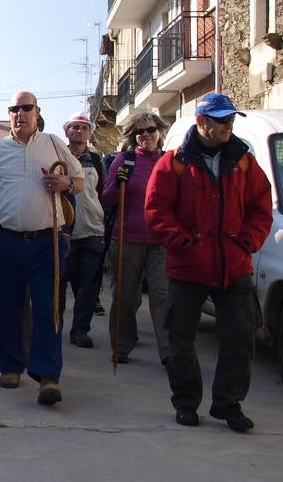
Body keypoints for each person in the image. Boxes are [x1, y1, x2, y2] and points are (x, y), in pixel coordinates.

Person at [146, 93, 273, 432]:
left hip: (233, 266)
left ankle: (229, 404)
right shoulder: (174, 161)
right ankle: (186, 402)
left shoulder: (244, 161)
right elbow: (157, 211)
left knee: (240, 338)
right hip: (189, 267)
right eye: (221, 120)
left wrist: (248, 241)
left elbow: (262, 207)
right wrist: (183, 242)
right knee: (180, 339)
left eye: (231, 119)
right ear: (202, 122)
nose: (228, 125)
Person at [0, 90, 84, 406]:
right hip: (7, 239)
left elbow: (80, 180)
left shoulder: (53, 144)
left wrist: (64, 185)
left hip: (48, 240)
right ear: (9, 114)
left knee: (49, 307)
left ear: (37, 112)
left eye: (26, 107)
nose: (20, 113)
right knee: (6, 305)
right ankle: (9, 367)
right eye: (14, 108)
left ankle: (48, 376)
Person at [100, 111, 169, 364]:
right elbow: (106, 198)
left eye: (151, 130)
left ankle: (169, 354)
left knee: (162, 296)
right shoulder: (124, 161)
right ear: (133, 136)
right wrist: (119, 185)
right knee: (126, 297)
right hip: (127, 239)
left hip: (160, 242)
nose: (146, 135)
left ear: (159, 131)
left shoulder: (169, 161)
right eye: (140, 132)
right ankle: (121, 346)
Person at [62, 113, 105, 348]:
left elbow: (104, 196)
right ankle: (55, 326)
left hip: (92, 231)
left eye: (83, 128)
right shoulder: (58, 157)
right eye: (74, 127)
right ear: (67, 132)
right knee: (60, 285)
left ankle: (80, 330)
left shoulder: (98, 161)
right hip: (64, 233)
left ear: (89, 133)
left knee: (88, 287)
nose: (78, 131)